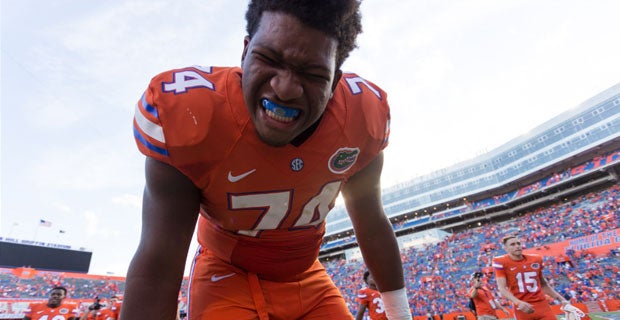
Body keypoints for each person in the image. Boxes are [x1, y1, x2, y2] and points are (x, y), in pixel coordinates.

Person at [123, 1, 411, 319]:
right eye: (269, 59)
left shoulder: (362, 118)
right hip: (225, 276)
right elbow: (159, 263)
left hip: (307, 277)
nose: (284, 89)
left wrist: (401, 314)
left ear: (335, 81)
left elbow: (371, 225)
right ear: (245, 52)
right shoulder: (189, 116)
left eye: (313, 73)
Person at [492, 235, 569, 320]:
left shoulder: (535, 259)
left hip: (542, 306)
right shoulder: (501, 261)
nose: (517, 246)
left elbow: (543, 285)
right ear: (506, 248)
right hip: (522, 308)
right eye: (512, 244)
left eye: (518, 243)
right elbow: (502, 288)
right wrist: (518, 303)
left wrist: (562, 300)